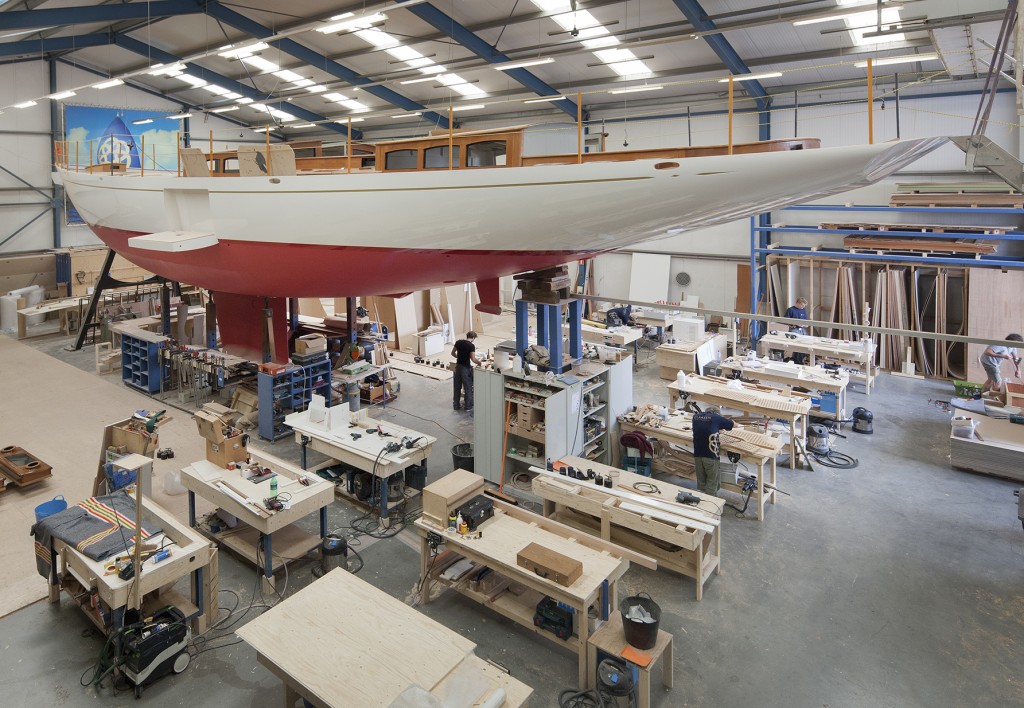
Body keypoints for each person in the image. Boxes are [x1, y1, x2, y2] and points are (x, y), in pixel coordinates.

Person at [692, 405, 734, 497]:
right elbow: (730, 425)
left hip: (697, 455)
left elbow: (705, 427)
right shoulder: (716, 417)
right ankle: (711, 504)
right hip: (710, 456)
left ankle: (701, 501)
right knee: (712, 484)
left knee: (701, 483)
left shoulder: (695, 417)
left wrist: (716, 428)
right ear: (717, 414)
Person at [451, 331, 481, 412]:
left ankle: (456, 405)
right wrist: (479, 363)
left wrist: (459, 357)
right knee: (468, 387)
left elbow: (452, 353)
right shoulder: (471, 346)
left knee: (457, 387)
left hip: (458, 367)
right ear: (473, 338)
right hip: (465, 368)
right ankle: (468, 407)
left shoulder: (458, 342)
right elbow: (473, 359)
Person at [784, 297, 809, 364]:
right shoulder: (790, 310)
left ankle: (801, 359)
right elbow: (785, 320)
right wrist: (795, 324)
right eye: (802, 305)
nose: (803, 307)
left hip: (802, 329)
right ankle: (796, 360)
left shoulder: (803, 310)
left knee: (805, 342)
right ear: (798, 303)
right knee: (797, 344)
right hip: (794, 329)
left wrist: (805, 324)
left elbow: (805, 320)